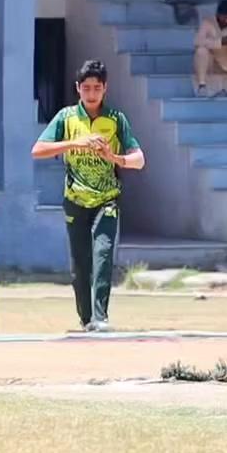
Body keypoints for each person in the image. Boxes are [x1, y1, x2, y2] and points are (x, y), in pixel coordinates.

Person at [32, 60, 145, 332]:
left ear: (105, 88)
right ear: (77, 89)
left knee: (103, 256)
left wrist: (114, 157)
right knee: (80, 266)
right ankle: (85, 319)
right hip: (75, 200)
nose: (91, 93)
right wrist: (75, 143)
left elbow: (139, 160)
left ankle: (100, 317)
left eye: (97, 88)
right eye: (86, 88)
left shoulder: (116, 119)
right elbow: (38, 150)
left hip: (107, 199)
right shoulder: (67, 117)